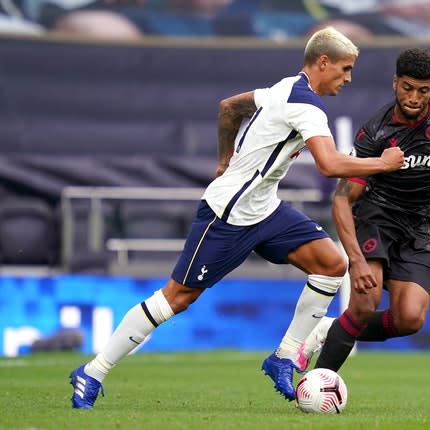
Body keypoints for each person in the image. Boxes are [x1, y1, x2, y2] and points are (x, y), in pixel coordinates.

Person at [68, 26, 405, 409]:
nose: (348, 78)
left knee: (331, 265)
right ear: (322, 62)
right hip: (226, 214)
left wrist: (224, 158)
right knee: (176, 298)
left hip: (264, 209)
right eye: (345, 69)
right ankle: (92, 372)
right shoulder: (307, 106)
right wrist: (383, 162)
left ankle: (284, 355)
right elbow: (328, 164)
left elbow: (229, 107)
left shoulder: (282, 88)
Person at [297, 47, 430, 373]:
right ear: (395, 82)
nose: (414, 97)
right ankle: (317, 383)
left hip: (416, 225)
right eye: (407, 88)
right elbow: (342, 198)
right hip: (376, 218)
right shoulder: (375, 133)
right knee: (365, 304)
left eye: (423, 91)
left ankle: (330, 329)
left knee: (410, 318)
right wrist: (355, 260)